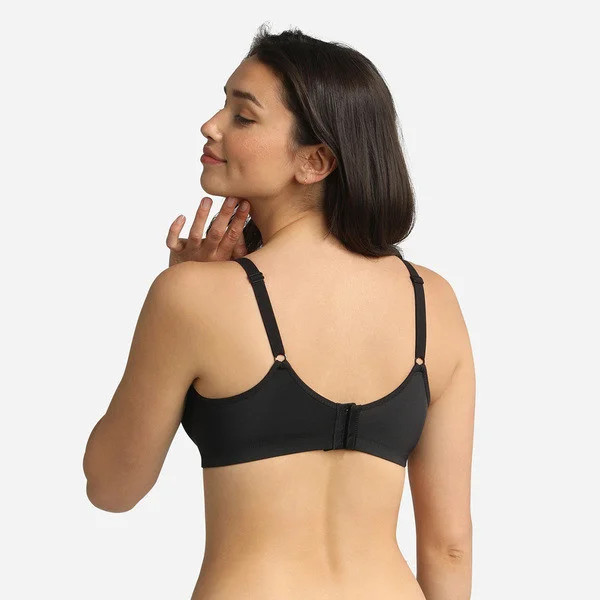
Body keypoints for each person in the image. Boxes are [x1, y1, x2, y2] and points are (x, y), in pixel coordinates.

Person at [83, 25, 475, 600]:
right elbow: (449, 547)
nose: (211, 125)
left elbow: (111, 487)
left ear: (315, 161)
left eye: (243, 117)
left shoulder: (191, 298)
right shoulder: (433, 301)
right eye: (223, 105)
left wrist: (182, 291)